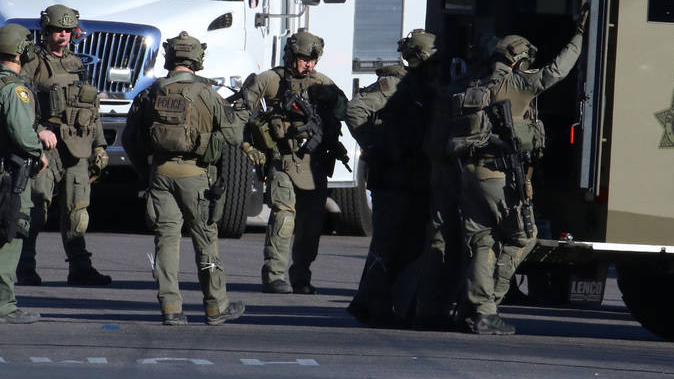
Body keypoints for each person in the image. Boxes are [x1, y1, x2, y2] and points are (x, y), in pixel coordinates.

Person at [453, 11, 588, 335]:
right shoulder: (517, 83)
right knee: (523, 237)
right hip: (498, 177)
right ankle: (489, 305)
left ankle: (474, 309)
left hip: (470, 173)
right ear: (518, 61)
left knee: (482, 241)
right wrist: (581, 35)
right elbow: (555, 72)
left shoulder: (476, 84)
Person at [122, 31, 246, 326]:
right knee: (205, 239)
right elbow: (233, 136)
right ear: (196, 58)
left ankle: (170, 307)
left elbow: (129, 138)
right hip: (196, 176)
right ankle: (216, 306)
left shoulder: (150, 93)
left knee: (166, 239)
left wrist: (145, 171)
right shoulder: (208, 94)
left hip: (161, 173)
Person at [239, 29, 348, 295]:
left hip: (314, 165)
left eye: (312, 59)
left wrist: (332, 100)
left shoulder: (323, 83)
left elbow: (346, 111)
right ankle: (275, 274)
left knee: (311, 223)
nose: (308, 64)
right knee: (284, 217)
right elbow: (240, 112)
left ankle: (301, 275)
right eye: (303, 58)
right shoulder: (270, 80)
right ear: (290, 56)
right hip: (281, 160)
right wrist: (247, 145)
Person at [345, 29, 439, 326]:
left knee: (409, 245)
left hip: (414, 180)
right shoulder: (396, 85)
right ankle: (372, 306)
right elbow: (354, 109)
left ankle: (381, 304)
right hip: (393, 182)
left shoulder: (427, 87)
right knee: (386, 245)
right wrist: (377, 145)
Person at [17, 4, 111, 287]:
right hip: (47, 146)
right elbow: (20, 104)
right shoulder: (32, 64)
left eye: (67, 30)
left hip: (78, 144)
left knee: (78, 210)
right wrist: (39, 130)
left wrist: (99, 146)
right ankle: (25, 268)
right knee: (36, 209)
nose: (62, 35)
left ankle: (80, 267)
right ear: (46, 31)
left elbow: (90, 109)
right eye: (57, 30)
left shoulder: (77, 64)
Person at [0, 24, 48, 324]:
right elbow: (21, 133)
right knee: (7, 235)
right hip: (8, 173)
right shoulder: (14, 89)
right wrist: (38, 152)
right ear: (22, 50)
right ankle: (3, 308)